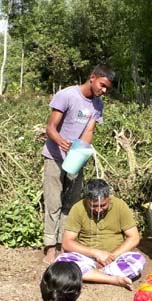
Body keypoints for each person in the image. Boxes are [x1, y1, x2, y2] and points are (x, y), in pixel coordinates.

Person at [42, 65, 115, 265]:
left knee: (71, 203)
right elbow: (50, 128)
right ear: (92, 78)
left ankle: (64, 244)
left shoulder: (98, 105)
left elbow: (89, 131)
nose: (104, 90)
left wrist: (80, 151)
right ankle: (50, 246)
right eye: (102, 85)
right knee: (53, 202)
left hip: (74, 159)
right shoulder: (67, 95)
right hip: (55, 156)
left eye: (107, 88)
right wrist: (61, 142)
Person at [55, 179, 146, 290]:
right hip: (86, 258)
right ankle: (113, 279)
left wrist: (111, 257)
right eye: (93, 206)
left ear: (109, 197)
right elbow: (67, 242)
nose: (98, 210)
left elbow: (134, 237)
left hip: (115, 258)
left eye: (103, 205)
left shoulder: (120, 205)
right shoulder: (78, 208)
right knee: (61, 261)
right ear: (87, 200)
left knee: (138, 261)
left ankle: (92, 274)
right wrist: (96, 253)